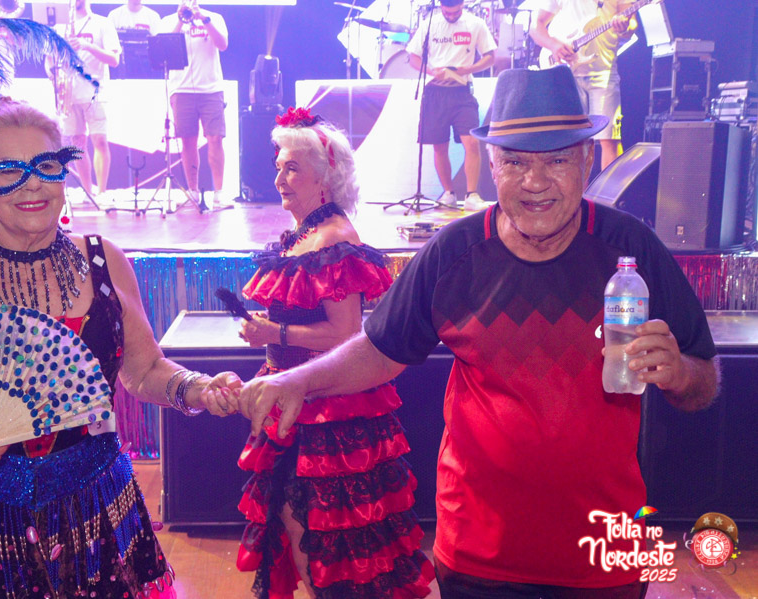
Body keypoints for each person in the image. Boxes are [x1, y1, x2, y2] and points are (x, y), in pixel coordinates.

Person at [236, 67, 720, 599]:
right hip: (478, 557)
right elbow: (380, 350)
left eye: (557, 160)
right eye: (515, 161)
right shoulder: (454, 253)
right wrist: (299, 381)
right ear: (490, 164)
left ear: (588, 159)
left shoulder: (631, 249)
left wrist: (679, 373)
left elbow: (704, 381)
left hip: (603, 555)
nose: (535, 181)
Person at [0, 98, 241, 599]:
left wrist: (198, 387)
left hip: (94, 514)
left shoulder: (105, 261)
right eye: (9, 171)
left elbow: (144, 369)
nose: (33, 185)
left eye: (46, 166)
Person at [234, 107, 434, 599]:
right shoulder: (306, 235)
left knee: (330, 543)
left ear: (325, 177)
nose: (279, 179)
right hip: (299, 404)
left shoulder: (334, 239)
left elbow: (346, 335)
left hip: (329, 412)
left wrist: (275, 332)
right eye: (279, 166)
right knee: (301, 529)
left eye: (292, 169)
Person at [407, 0, 497, 211]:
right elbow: (413, 58)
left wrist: (468, 69)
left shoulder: (475, 23)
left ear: (463, 6)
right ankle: (448, 193)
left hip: (462, 91)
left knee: (471, 142)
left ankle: (471, 194)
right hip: (435, 91)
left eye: (455, 12)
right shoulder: (430, 23)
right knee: (439, 145)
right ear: (440, 7)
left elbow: (490, 57)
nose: (451, 16)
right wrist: (431, 71)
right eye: (447, 12)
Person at [530, 0, 638, 171]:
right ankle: (572, 189)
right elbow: (536, 25)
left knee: (610, 139)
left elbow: (631, 24)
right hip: (566, 73)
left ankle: (609, 188)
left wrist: (624, 27)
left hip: (604, 71)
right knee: (570, 143)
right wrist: (554, 45)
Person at [159, 0, 232, 211]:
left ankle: (219, 193)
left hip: (211, 89)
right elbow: (164, 51)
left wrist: (204, 20)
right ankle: (193, 190)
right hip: (181, 89)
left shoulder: (214, 17)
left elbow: (223, 44)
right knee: (188, 141)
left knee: (215, 138)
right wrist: (180, 21)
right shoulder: (168, 21)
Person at [59, 0, 121, 203]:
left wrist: (87, 46)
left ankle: (102, 192)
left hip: (95, 91)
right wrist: (54, 76)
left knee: (100, 140)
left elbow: (114, 59)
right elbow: (50, 58)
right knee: (77, 144)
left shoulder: (102, 23)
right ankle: (88, 192)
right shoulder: (60, 25)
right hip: (70, 92)